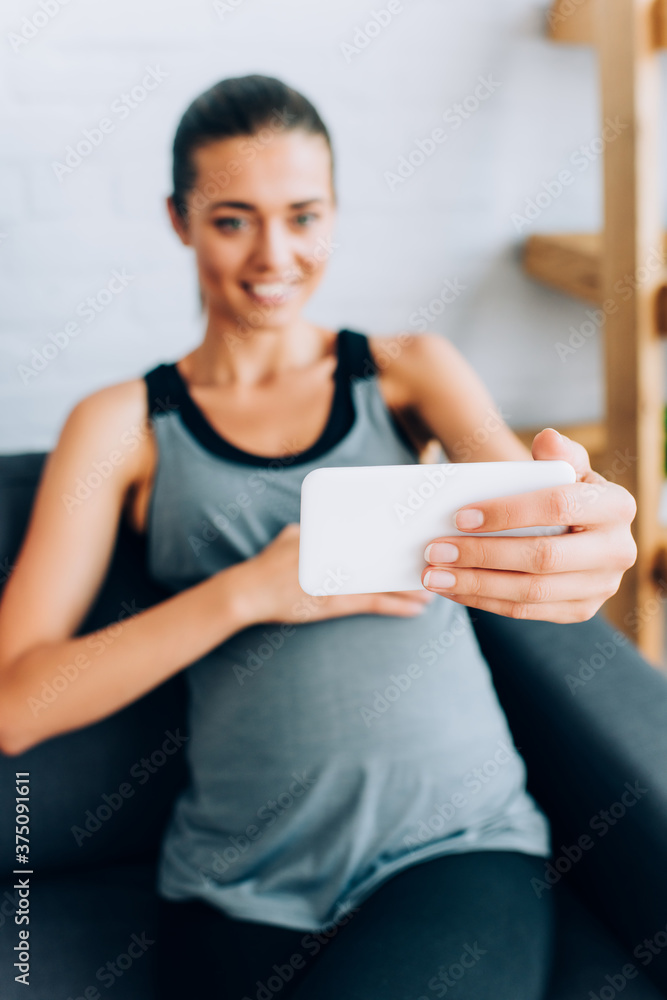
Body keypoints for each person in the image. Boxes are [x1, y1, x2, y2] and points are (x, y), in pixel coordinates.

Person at [0, 75, 637, 999]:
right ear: (179, 220)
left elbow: (534, 518)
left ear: (333, 217)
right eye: (232, 220)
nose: (274, 255)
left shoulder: (410, 371)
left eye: (303, 216)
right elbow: (17, 701)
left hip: (452, 850)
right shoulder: (122, 426)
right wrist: (250, 592)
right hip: (233, 889)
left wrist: (588, 533)